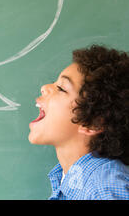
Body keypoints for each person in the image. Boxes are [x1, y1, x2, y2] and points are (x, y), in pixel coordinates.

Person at [29, 44, 129, 199]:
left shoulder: (104, 186)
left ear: (92, 123)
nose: (45, 87)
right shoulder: (73, 180)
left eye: (61, 88)